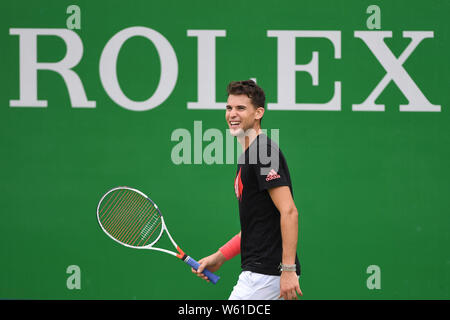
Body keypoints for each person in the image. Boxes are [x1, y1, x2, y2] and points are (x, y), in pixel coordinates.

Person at [192, 80, 302, 300]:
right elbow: (257, 225)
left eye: (241, 108)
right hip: (261, 273)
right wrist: (220, 257)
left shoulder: (263, 151)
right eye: (229, 108)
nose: (232, 114)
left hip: (265, 275)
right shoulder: (249, 156)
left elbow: (289, 211)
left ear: (258, 113)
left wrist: (288, 270)